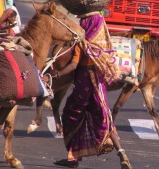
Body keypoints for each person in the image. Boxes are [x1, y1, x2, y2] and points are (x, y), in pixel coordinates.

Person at [43, 9, 132, 169]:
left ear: (87, 25)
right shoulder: (101, 43)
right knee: (104, 116)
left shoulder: (81, 44)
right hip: (98, 84)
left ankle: (73, 158)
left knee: (71, 115)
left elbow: (73, 65)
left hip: (84, 83)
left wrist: (53, 76)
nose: (81, 24)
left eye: (83, 21)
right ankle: (122, 153)